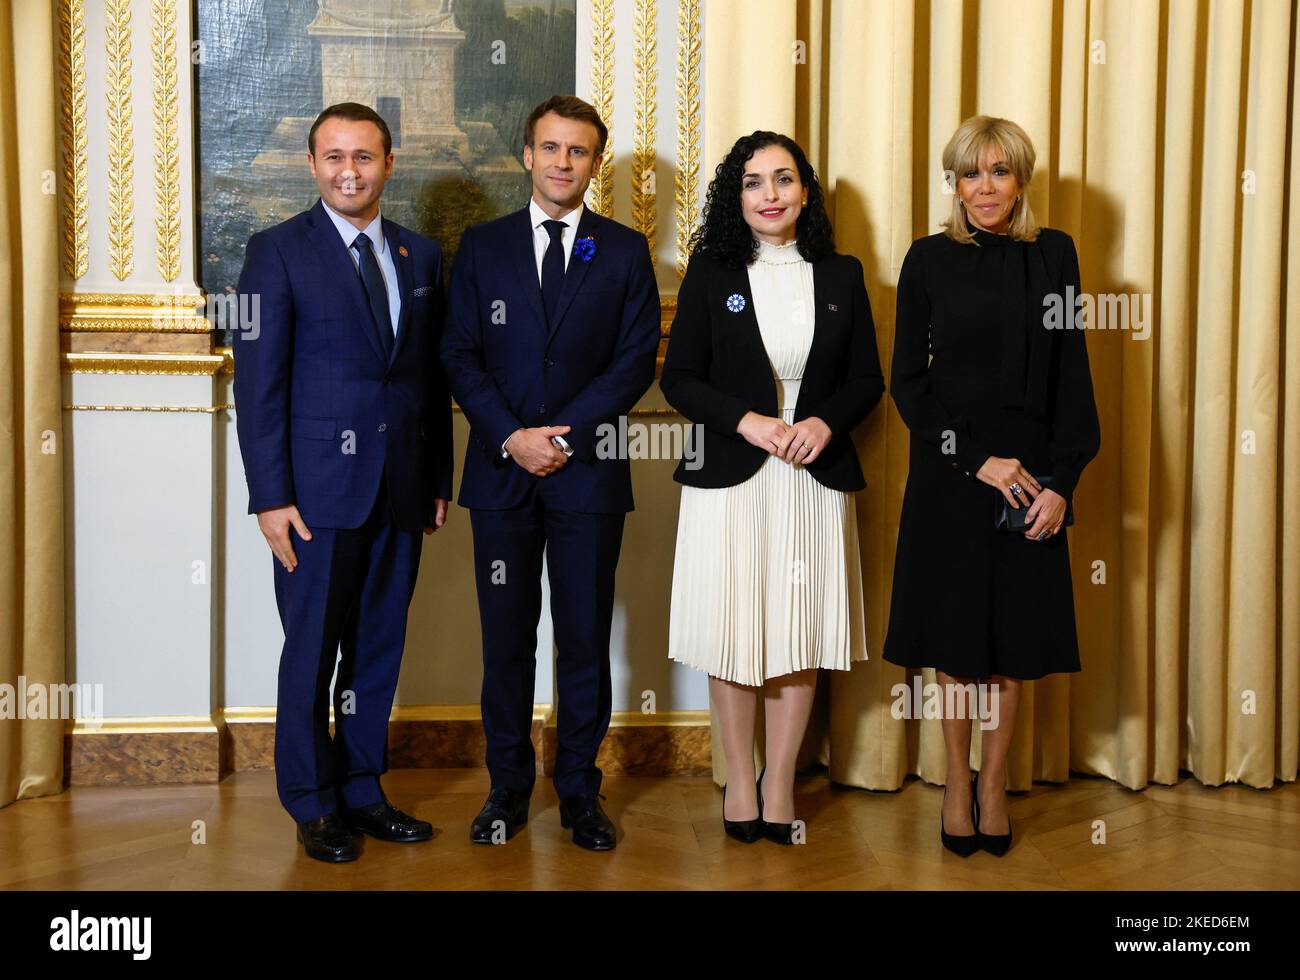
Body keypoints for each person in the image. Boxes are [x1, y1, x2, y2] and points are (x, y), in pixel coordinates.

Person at [233, 102, 454, 863]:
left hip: (399, 489)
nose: (349, 171)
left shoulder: (420, 257)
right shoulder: (275, 252)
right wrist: (269, 497)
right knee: (311, 650)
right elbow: (258, 386)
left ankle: (363, 791)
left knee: (377, 649)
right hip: (313, 498)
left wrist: (436, 479)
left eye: (364, 157)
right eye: (334, 157)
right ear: (312, 164)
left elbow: (426, 381)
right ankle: (311, 801)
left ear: (389, 164)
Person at [441, 95, 660, 851]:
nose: (564, 162)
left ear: (595, 163)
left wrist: (561, 438)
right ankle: (506, 791)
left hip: (587, 477)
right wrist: (511, 437)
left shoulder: (625, 252)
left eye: (579, 151)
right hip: (503, 478)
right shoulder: (482, 246)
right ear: (526, 155)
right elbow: (460, 356)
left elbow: (634, 362)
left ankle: (578, 791)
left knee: (583, 638)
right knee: (506, 639)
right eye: (551, 148)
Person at [882, 115, 1100, 857]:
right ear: (955, 182)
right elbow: (907, 382)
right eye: (970, 173)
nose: (985, 188)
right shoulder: (928, 259)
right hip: (952, 475)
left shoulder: (1057, 255)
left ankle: (995, 786)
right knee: (956, 640)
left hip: (1032, 481)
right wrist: (974, 460)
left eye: (999, 172)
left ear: (1021, 179)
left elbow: (1073, 374)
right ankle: (954, 785)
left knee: (1011, 642)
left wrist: (1061, 483)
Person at [660, 131, 884, 844]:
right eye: (753, 182)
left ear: (805, 192)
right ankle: (740, 779)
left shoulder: (843, 274)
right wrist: (750, 422)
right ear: (737, 196)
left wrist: (823, 423)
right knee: (735, 630)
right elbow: (679, 378)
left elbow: (867, 381)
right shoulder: (712, 270)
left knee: (797, 630)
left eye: (783, 179)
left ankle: (780, 782)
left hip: (810, 475)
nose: (770, 194)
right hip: (734, 472)